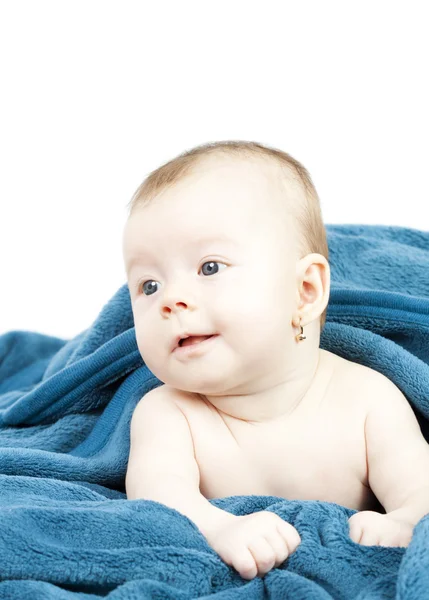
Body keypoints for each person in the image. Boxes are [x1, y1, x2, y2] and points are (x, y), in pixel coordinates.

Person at [122, 141, 428, 580]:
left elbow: (421, 489)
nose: (170, 300)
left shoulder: (366, 398)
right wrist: (219, 528)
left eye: (209, 267)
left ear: (305, 291)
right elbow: (158, 497)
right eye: (148, 286)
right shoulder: (168, 412)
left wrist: (402, 521)